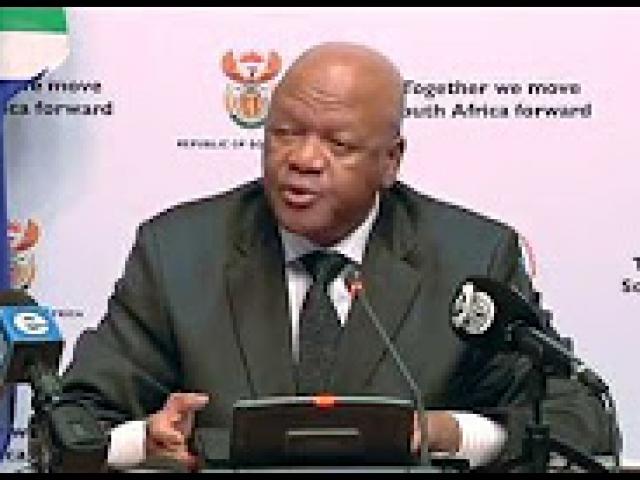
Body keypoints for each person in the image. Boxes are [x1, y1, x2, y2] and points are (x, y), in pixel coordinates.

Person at [61, 42, 610, 472]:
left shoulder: (471, 256)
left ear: (390, 161)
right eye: (285, 133)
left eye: (338, 145)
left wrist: (448, 434)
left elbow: (578, 422)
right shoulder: (180, 252)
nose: (303, 159)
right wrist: (143, 439)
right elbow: (72, 421)